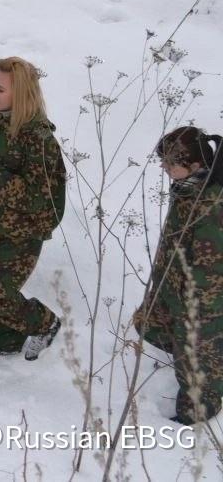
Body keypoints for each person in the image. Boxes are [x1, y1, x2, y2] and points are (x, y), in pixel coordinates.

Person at [0, 57, 66, 359]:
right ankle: (7, 342)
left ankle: (45, 323)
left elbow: (38, 197)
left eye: (0, 89)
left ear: (21, 94)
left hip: (22, 231)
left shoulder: (38, 139)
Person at [131, 127, 223, 424]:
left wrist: (195, 316)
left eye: (171, 163)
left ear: (194, 166)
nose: (164, 168)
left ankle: (197, 417)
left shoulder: (210, 205)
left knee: (196, 366)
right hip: (172, 286)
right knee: (148, 323)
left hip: (199, 305)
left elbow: (210, 273)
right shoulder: (188, 189)